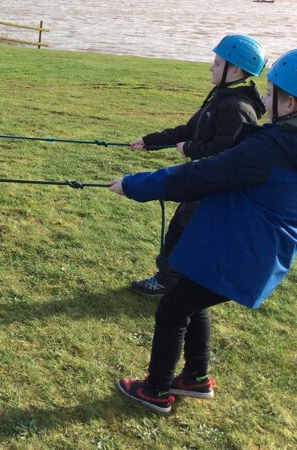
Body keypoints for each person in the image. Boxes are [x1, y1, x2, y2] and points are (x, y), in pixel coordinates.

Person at [108, 49, 297, 414]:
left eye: (271, 93)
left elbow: (202, 174)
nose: (265, 99)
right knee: (189, 298)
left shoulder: (274, 147)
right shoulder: (283, 143)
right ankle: (195, 378)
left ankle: (155, 390)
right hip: (247, 245)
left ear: (290, 104)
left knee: (172, 309)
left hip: (245, 252)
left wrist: (134, 185)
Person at [129, 34, 267, 296]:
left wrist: (191, 149)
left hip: (213, 188)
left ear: (235, 70)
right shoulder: (221, 98)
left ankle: (169, 282)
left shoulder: (236, 107)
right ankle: (174, 281)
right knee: (181, 231)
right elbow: (190, 129)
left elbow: (228, 153)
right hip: (201, 181)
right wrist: (150, 141)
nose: (211, 67)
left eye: (217, 63)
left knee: (183, 233)